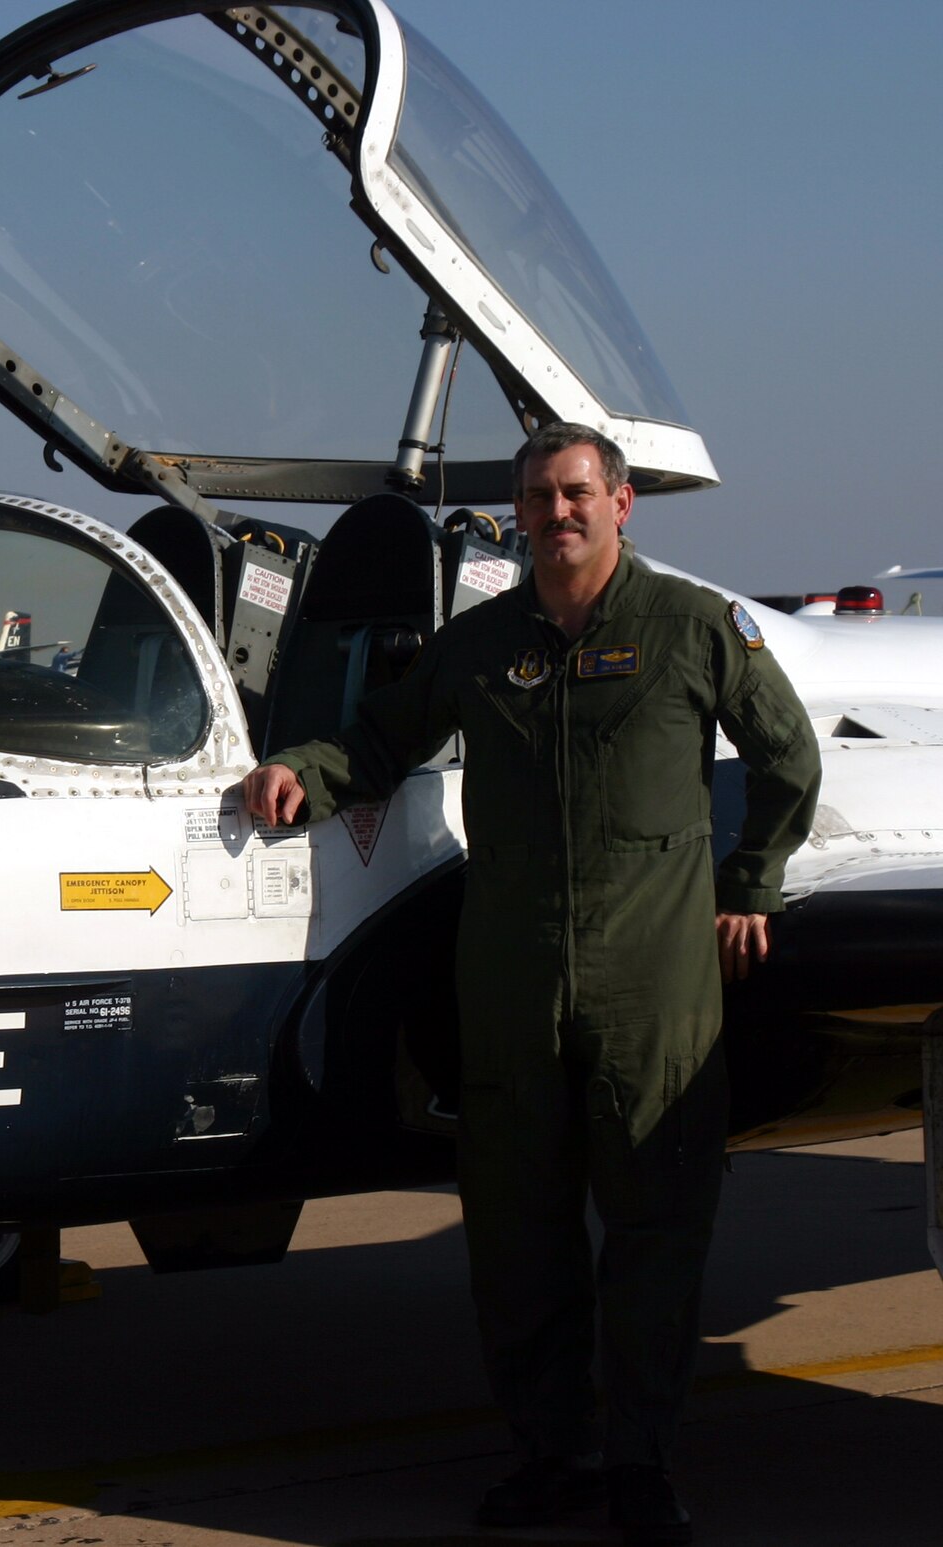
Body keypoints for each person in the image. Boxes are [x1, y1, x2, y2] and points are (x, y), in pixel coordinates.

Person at [240, 424, 820, 1544]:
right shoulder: (478, 644)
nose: (552, 514)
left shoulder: (692, 629)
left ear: (619, 504)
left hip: (648, 987)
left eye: (572, 493)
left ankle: (642, 1462)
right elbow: (377, 741)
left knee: (653, 1229)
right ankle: (552, 1453)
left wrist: (750, 878)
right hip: (509, 983)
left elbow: (787, 753)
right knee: (516, 1239)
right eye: (534, 498)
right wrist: (294, 773)